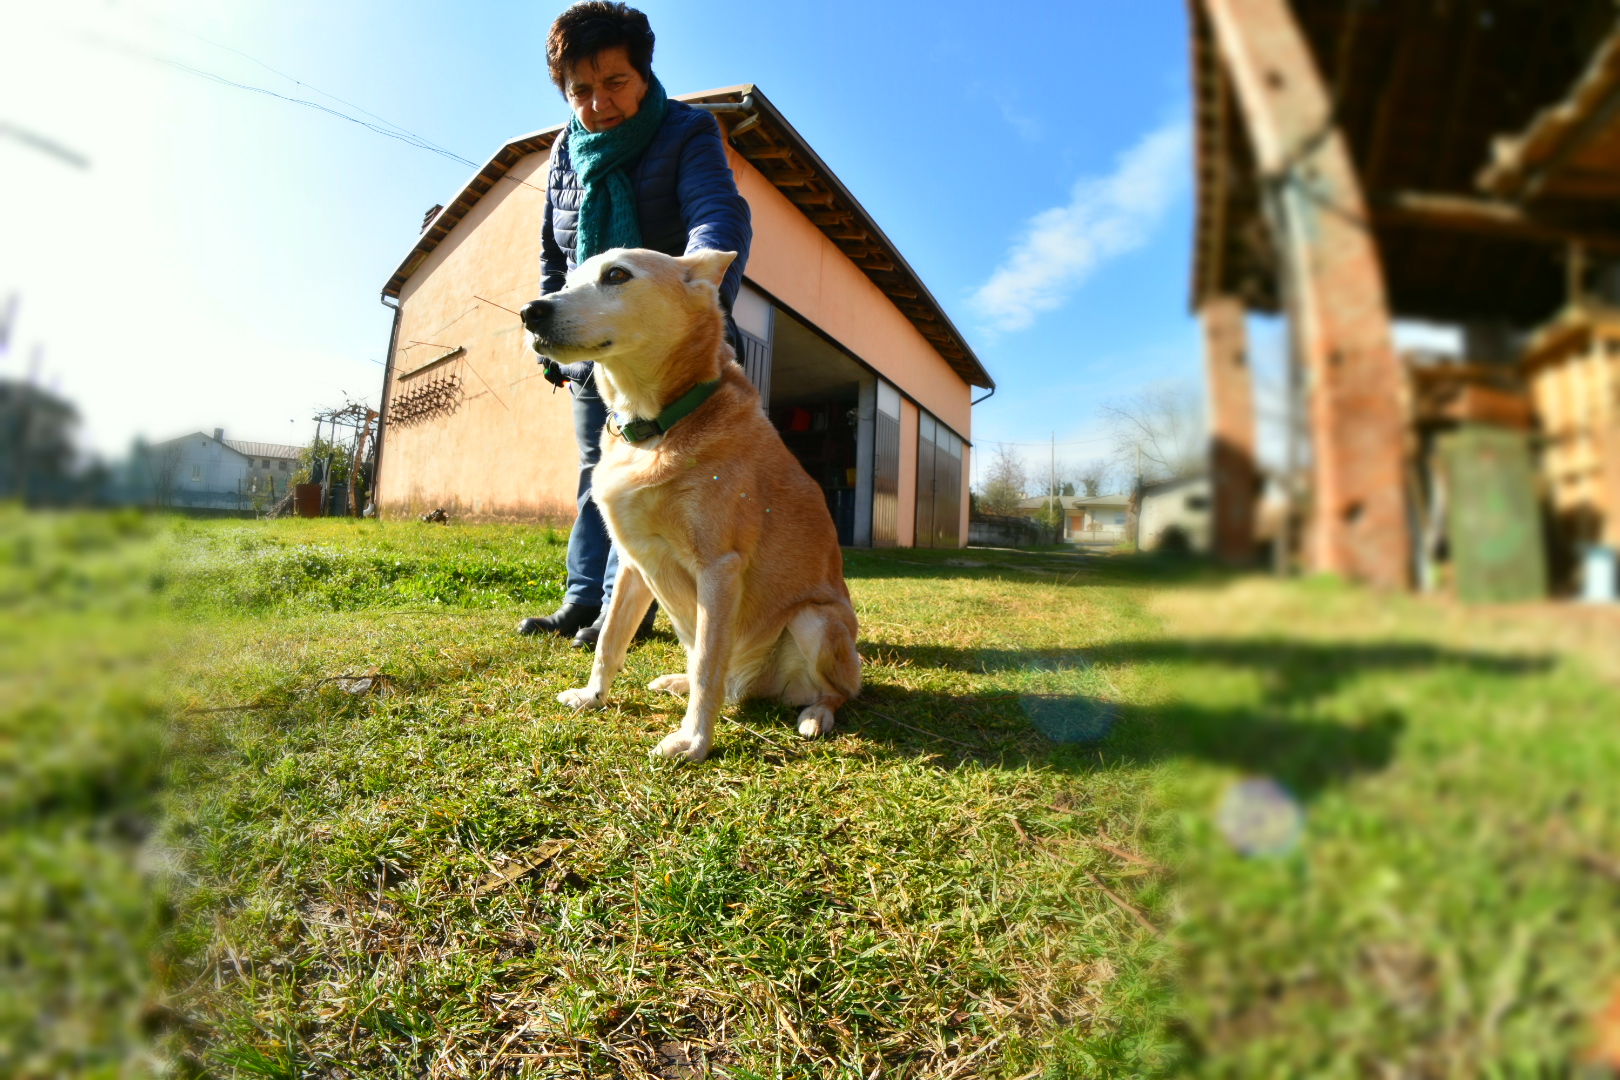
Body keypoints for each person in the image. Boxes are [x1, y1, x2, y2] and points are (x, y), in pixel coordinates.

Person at [517, 1, 752, 648]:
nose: (598, 104)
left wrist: (695, 289)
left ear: (644, 74)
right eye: (580, 90)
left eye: (615, 82)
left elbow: (717, 213)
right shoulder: (566, 152)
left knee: (663, 474)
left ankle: (632, 609)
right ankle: (581, 599)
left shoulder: (687, 130)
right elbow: (556, 252)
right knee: (598, 470)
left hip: (663, 345)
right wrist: (553, 340)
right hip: (593, 340)